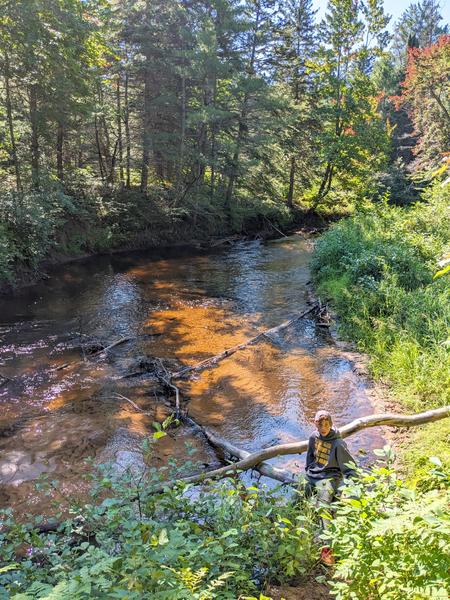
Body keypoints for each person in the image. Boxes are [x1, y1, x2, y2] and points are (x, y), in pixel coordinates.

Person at [305, 409, 357, 566]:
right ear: (315, 424)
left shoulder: (338, 443)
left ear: (331, 424)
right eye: (320, 425)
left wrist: (349, 489)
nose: (323, 428)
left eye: (326, 425)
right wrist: (308, 471)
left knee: (323, 507)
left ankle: (327, 549)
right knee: (297, 498)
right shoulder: (313, 437)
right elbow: (309, 458)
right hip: (313, 475)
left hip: (330, 478)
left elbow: (350, 469)